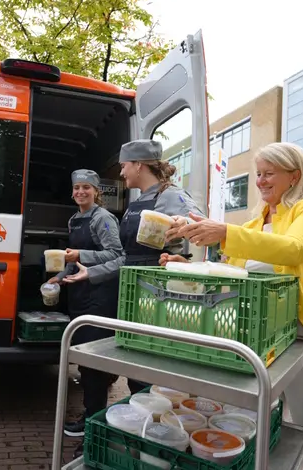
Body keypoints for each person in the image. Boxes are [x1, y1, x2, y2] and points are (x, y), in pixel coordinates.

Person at [164, 141, 303, 469]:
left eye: (269, 174)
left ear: (294, 176)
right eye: (258, 174)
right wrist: (185, 264)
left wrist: (223, 231)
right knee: (263, 423)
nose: (261, 181)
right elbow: (232, 273)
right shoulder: (254, 221)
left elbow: (294, 249)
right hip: (265, 339)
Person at [63, 140, 204, 397]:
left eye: (124, 166)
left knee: (148, 365)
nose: (121, 172)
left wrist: (182, 222)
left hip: (155, 293)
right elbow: (126, 257)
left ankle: (151, 421)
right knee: (134, 364)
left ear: (139, 165)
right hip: (133, 293)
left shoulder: (171, 194)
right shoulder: (136, 203)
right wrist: (91, 272)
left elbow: (202, 224)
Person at [47, 170, 123, 441]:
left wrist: (82, 254)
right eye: (77, 188)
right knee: (82, 359)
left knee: (94, 363)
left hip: (99, 296)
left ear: (96, 191)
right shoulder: (74, 219)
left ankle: (94, 420)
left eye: (86, 188)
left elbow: (117, 255)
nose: (80, 192)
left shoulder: (103, 218)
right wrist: (57, 278)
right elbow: (71, 262)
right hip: (79, 296)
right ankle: (90, 415)